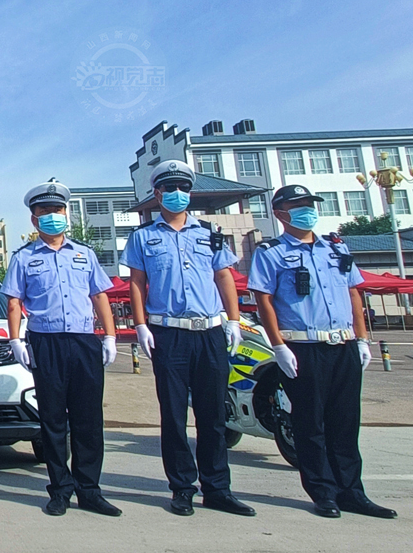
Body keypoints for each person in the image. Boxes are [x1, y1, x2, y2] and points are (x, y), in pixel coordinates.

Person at [249, 184, 396, 519]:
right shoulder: (270, 252)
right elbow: (264, 300)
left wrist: (361, 339)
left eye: (309, 204)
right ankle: (323, 492)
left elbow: (354, 294)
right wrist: (278, 346)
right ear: (280, 212)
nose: (307, 210)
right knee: (310, 422)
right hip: (303, 345)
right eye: (298, 205)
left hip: (342, 344)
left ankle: (351, 491)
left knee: (345, 421)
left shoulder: (335, 247)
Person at [121, 160, 255, 517]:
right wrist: (141, 325)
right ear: (157, 193)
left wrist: (234, 320)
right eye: (169, 188)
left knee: (213, 415)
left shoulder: (209, 232)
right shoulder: (143, 237)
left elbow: (224, 277)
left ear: (189, 193)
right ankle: (182, 487)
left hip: (210, 332)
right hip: (168, 334)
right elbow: (137, 283)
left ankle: (217, 488)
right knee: (174, 414)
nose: (176, 194)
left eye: (182, 188)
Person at [3, 179, 121, 517]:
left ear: (65, 213)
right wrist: (16, 340)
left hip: (84, 342)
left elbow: (100, 295)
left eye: (57, 210)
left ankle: (90, 490)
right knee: (53, 422)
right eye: (44, 211)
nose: (52, 216)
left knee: (88, 420)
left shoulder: (85, 254)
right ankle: (60, 490)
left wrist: (109, 336)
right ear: (34, 219)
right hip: (46, 342)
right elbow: (13, 302)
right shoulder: (24, 257)